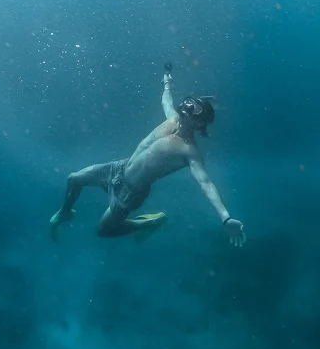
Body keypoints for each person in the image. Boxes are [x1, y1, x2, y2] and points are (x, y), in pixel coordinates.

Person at [49, 63, 246, 247]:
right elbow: (165, 100)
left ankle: (147, 223)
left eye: (193, 109)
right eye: (188, 103)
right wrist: (167, 82)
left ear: (199, 123)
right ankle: (65, 212)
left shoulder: (189, 150)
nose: (186, 107)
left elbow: (206, 183)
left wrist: (225, 217)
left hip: (130, 193)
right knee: (73, 179)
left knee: (103, 231)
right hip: (117, 169)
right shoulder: (173, 119)